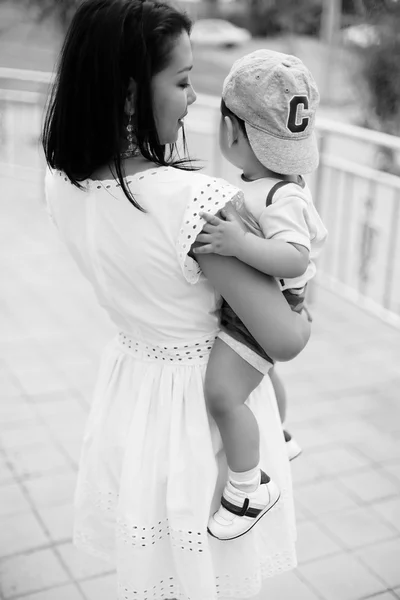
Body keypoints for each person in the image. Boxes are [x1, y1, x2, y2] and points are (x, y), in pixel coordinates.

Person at [42, 2, 311, 599]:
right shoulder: (192, 203)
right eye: (184, 81)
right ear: (133, 94)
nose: (194, 98)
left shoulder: (61, 181)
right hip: (202, 420)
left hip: (134, 404)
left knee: (159, 575)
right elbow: (286, 339)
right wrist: (301, 286)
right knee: (209, 578)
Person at [194, 50, 327, 540]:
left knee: (223, 395)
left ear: (230, 129)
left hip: (262, 315)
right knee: (259, 376)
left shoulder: (281, 195)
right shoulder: (266, 184)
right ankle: (279, 433)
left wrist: (240, 244)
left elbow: (295, 256)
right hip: (264, 310)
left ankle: (248, 488)